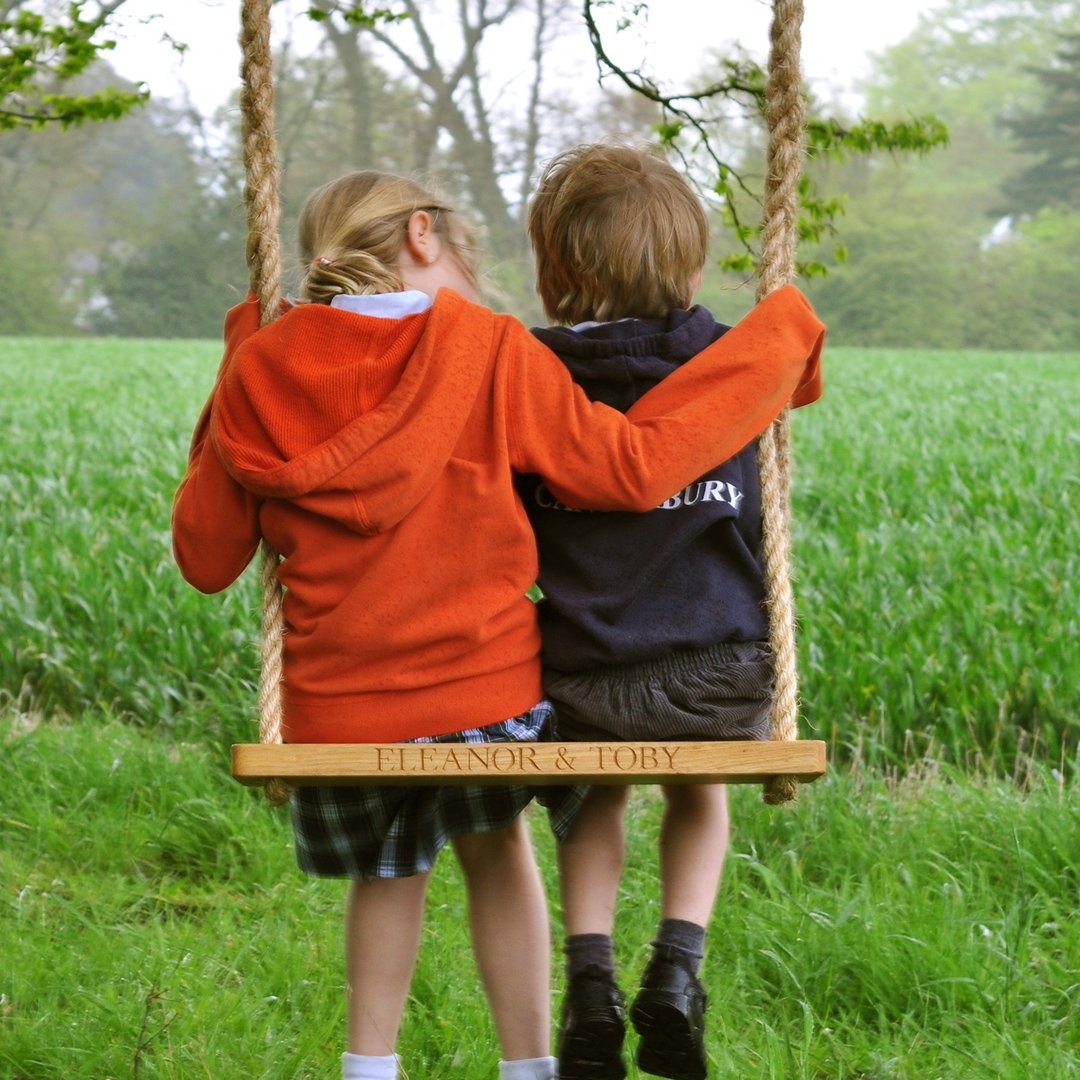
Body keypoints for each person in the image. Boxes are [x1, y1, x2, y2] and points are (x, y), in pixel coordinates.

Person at [172, 169, 824, 1080]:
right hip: (487, 699)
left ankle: (369, 1067)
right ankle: (530, 1068)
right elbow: (628, 469)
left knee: (389, 870)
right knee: (499, 845)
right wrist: (777, 343)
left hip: (337, 711)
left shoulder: (262, 368)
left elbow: (207, 560)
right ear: (424, 234)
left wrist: (236, 362)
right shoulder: (488, 347)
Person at [520, 142, 825, 1080]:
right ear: (690, 269)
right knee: (701, 786)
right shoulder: (736, 363)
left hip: (580, 677)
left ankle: (590, 982)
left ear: (555, 271)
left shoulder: (530, 374)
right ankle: (677, 969)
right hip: (718, 679)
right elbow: (795, 384)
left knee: (591, 790)